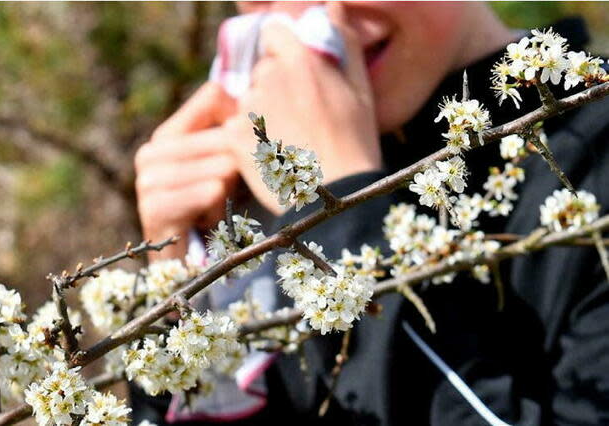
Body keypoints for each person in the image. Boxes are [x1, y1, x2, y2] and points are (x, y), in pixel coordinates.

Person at [132, 2, 609, 425]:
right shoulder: (253, 199)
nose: (309, 19)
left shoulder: (595, 147)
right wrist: (179, 298)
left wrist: (339, 209)